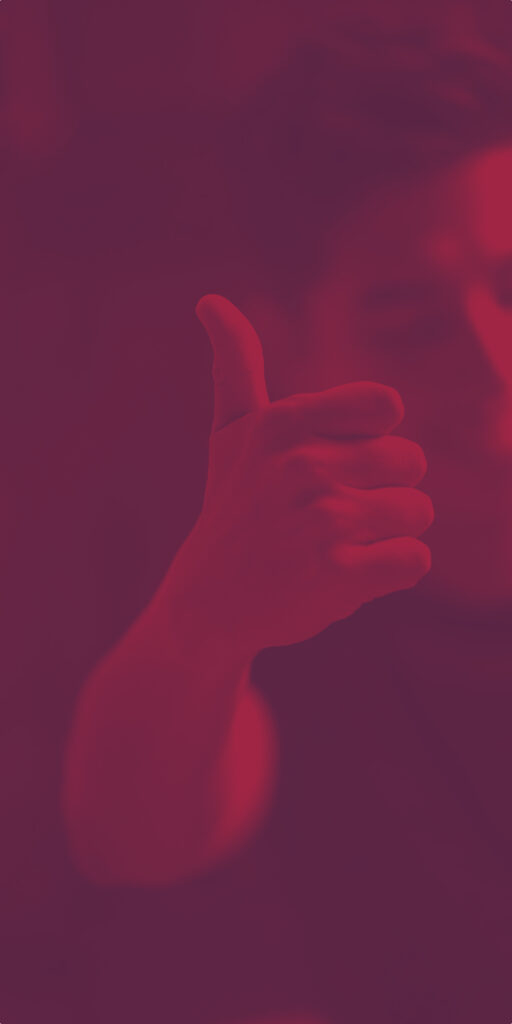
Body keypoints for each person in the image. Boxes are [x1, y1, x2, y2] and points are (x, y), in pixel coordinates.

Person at [58, 19, 512, 1024]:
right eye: (412, 319)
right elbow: (129, 841)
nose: (492, 362)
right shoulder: (290, 629)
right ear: (295, 344)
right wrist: (200, 630)